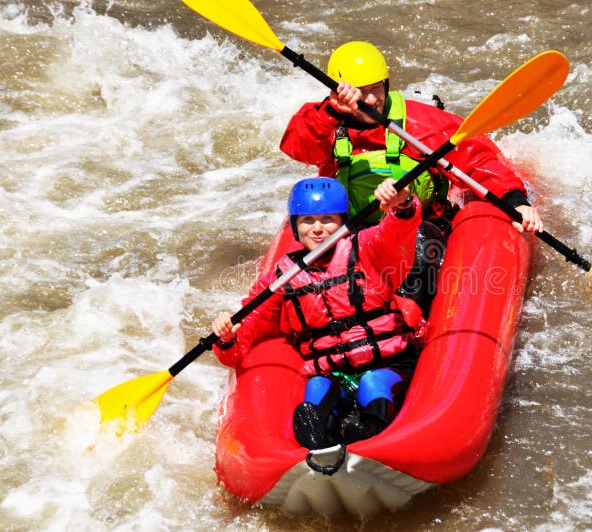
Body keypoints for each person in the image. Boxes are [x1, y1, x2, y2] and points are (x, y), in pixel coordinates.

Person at [279, 41, 544, 320]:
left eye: (376, 89)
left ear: (386, 84)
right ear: (338, 91)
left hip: (420, 229)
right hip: (353, 234)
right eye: (361, 92)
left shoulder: (421, 123)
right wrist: (332, 113)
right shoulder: (324, 121)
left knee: (423, 242)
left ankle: (413, 321)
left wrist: (516, 202)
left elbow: (479, 161)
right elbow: (297, 148)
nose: (370, 100)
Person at [211, 177, 421, 450]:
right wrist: (226, 337)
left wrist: (401, 204)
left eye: (327, 219)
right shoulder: (281, 278)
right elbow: (248, 331)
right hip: (332, 370)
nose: (318, 228)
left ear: (343, 222)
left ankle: (367, 436)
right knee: (317, 391)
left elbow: (397, 231)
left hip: (388, 362)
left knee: (372, 384)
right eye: (308, 220)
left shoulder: (367, 247)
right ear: (296, 229)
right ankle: (320, 442)